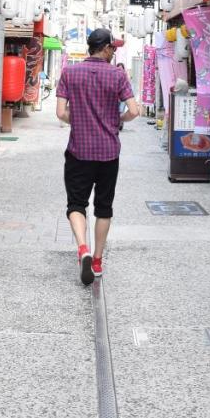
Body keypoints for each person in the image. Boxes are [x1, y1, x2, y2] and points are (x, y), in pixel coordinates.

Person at [56, 28, 139, 285]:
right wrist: (118, 120)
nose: (114, 52)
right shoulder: (117, 75)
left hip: (79, 151)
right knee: (104, 207)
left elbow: (61, 113)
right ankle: (97, 260)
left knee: (76, 204)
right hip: (108, 153)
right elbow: (135, 111)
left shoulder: (69, 72)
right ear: (104, 49)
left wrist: (78, 119)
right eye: (112, 48)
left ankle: (83, 248)